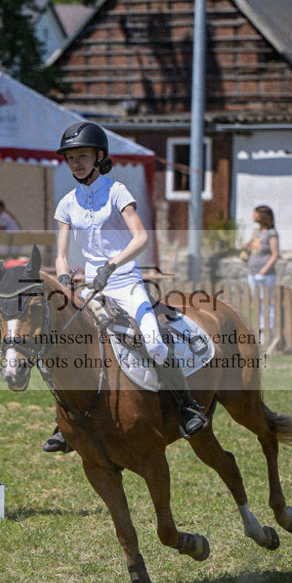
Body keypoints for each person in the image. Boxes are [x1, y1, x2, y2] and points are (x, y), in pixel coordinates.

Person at [43, 121, 210, 453]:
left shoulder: (117, 192)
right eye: (71, 157)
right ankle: (66, 423)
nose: (76, 163)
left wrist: (112, 265)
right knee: (64, 345)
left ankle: (187, 406)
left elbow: (141, 237)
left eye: (82, 156)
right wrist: (63, 281)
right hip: (91, 288)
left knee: (155, 344)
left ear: (99, 156)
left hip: (126, 283)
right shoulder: (67, 203)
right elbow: (60, 255)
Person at [242, 204, 279, 331]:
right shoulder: (257, 232)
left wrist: (263, 271)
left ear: (263, 216)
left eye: (256, 213)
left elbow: (275, 254)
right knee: (258, 303)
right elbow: (255, 247)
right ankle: (260, 328)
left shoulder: (271, 233)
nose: (253, 216)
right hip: (252, 273)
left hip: (265, 275)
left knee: (267, 302)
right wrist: (246, 245)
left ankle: (269, 330)